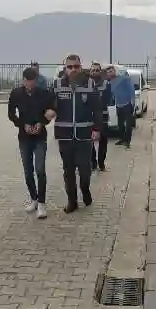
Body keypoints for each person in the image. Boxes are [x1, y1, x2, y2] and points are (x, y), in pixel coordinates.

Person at [49, 54, 104, 213]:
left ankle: (85, 190)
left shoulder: (90, 84)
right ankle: (72, 201)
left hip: (84, 135)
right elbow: (48, 104)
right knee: (68, 171)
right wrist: (48, 111)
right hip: (64, 135)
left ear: (81, 67)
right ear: (65, 68)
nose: (73, 69)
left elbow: (98, 109)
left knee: (85, 170)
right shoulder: (57, 85)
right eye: (70, 67)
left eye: (76, 66)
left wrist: (97, 129)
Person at [8, 67, 55, 219]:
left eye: (32, 81)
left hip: (40, 136)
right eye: (27, 81)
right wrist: (22, 125)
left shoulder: (44, 94)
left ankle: (42, 203)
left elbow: (52, 110)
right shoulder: (16, 94)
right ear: (23, 80)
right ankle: (34, 199)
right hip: (24, 137)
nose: (30, 84)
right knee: (28, 171)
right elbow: (11, 114)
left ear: (36, 80)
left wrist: (42, 123)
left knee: (40, 169)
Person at [106, 65, 136, 148]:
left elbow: (132, 90)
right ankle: (122, 139)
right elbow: (112, 94)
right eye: (108, 72)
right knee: (120, 125)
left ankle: (127, 141)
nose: (109, 73)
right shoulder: (110, 82)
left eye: (111, 71)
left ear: (115, 71)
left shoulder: (124, 78)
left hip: (127, 105)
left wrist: (133, 103)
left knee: (128, 125)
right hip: (118, 106)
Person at [89, 63, 112, 171]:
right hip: (89, 117)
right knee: (89, 141)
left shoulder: (106, 84)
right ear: (90, 72)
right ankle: (93, 163)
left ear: (100, 72)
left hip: (103, 116)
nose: (95, 72)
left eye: (97, 70)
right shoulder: (86, 84)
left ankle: (101, 163)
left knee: (103, 141)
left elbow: (108, 100)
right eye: (93, 70)